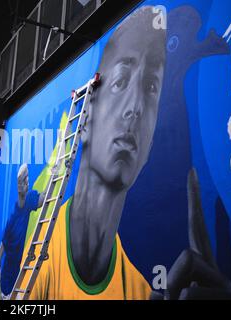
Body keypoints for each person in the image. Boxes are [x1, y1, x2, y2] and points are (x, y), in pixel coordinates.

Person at [29, 6, 167, 299]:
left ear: (152, 140)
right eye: (119, 82)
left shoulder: (141, 292)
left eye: (151, 86)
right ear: (85, 117)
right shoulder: (40, 257)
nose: (135, 108)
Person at [0, 163, 47, 299]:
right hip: (8, 279)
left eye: (27, 180)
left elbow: (43, 199)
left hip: (16, 271)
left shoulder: (29, 200)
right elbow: (3, 244)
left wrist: (53, 174)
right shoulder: (12, 219)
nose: (27, 183)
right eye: (24, 181)